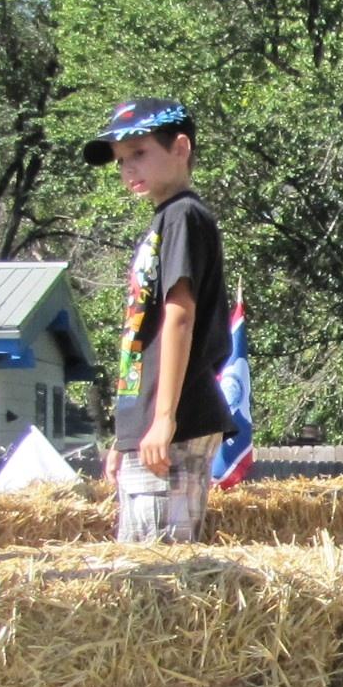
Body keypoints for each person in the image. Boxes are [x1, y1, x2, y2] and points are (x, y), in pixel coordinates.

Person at [83, 97, 230, 543]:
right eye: (122, 161)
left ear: (180, 147)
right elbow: (140, 335)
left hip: (176, 419)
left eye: (140, 153)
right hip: (147, 422)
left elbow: (179, 316)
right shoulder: (163, 221)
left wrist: (164, 419)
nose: (129, 169)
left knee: (159, 578)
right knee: (139, 571)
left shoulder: (184, 215)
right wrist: (124, 436)